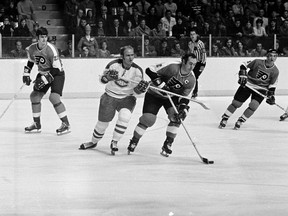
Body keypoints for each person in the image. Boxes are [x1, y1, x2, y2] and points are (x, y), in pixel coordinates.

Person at [79, 45, 149, 154]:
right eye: (127, 55)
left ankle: (114, 141)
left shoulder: (137, 71)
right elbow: (102, 80)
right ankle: (93, 142)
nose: (131, 58)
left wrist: (140, 90)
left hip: (127, 98)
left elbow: (136, 92)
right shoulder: (113, 65)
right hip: (110, 96)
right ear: (122, 56)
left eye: (132, 55)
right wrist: (107, 78)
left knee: (124, 117)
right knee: (102, 124)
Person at [127, 53, 197, 156]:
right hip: (154, 94)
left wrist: (183, 110)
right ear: (183, 61)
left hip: (170, 98)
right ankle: (134, 140)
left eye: (194, 64)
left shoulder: (191, 79)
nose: (192, 67)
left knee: (177, 118)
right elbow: (150, 70)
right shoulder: (172, 66)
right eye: (190, 63)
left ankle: (168, 144)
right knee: (148, 119)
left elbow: (185, 98)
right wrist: (161, 85)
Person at [22, 27, 70, 135]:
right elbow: (30, 61)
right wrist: (26, 74)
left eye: (45, 37)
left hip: (57, 74)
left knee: (54, 97)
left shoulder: (51, 49)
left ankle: (66, 124)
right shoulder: (31, 48)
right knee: (34, 96)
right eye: (42, 37)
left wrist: (43, 80)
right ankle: (37, 124)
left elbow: (56, 68)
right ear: (37, 38)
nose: (44, 39)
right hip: (43, 72)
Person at [218, 49, 279, 130]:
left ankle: (241, 120)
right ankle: (225, 118)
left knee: (253, 106)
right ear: (267, 56)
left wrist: (271, 95)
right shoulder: (257, 62)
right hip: (248, 84)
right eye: (270, 55)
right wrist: (242, 73)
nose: (272, 58)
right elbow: (244, 64)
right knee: (236, 103)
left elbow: (273, 84)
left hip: (261, 89)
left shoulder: (275, 71)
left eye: (274, 56)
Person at [187, 28, 206, 98]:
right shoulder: (190, 43)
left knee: (195, 77)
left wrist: (202, 64)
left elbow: (204, 54)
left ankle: (194, 92)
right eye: (191, 34)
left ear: (196, 35)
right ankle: (193, 91)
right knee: (192, 76)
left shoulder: (200, 43)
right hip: (192, 63)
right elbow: (189, 53)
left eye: (193, 34)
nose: (192, 36)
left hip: (200, 63)